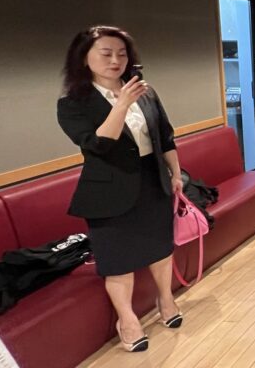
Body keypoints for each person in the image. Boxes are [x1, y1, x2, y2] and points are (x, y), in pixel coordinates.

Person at [56, 26, 184, 353]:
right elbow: (98, 145)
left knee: (161, 249)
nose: (116, 60)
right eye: (106, 53)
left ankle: (166, 299)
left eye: (122, 53)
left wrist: (176, 173)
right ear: (83, 58)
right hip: (108, 191)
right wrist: (122, 104)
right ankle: (127, 320)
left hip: (152, 180)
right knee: (118, 261)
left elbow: (165, 136)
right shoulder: (72, 103)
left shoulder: (146, 92)